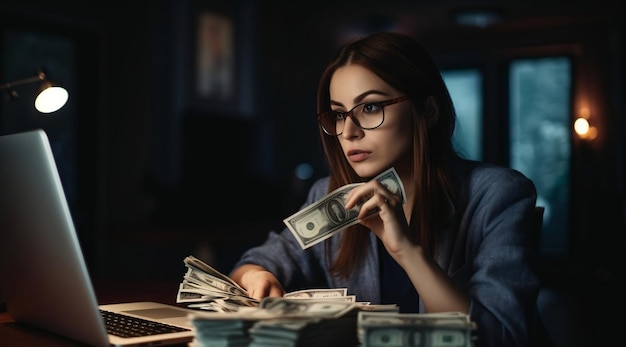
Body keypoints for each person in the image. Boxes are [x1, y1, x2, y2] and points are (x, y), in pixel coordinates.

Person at [230, 32, 546, 347]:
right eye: (339, 114)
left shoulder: (498, 195)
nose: (348, 132)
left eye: (369, 108)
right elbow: (256, 262)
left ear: (429, 111)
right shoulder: (330, 194)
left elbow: (500, 338)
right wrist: (258, 276)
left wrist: (407, 252)